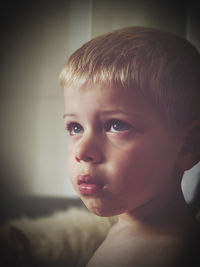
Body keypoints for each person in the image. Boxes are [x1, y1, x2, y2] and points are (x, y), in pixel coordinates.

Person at [59, 27, 200, 267]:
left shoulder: (159, 255)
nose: (81, 151)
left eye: (116, 125)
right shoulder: (137, 231)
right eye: (75, 127)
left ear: (187, 145)